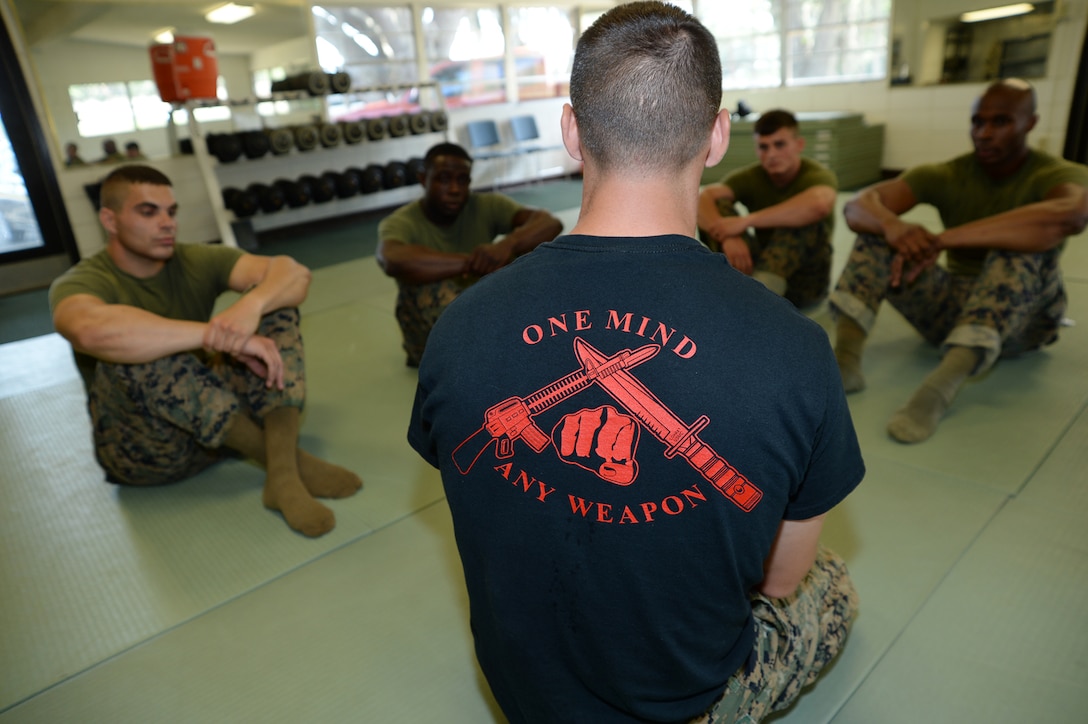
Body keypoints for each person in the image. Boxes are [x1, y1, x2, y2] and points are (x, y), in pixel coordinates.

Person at [407, 3, 864, 722]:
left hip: (521, 691)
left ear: (570, 131)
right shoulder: (795, 349)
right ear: (717, 137)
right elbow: (780, 581)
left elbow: (487, 494)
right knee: (832, 583)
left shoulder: (462, 323)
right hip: (683, 704)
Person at [49, 165, 362, 537]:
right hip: (147, 451)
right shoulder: (83, 280)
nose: (167, 223)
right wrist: (219, 336)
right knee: (138, 350)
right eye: (149, 212)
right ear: (109, 220)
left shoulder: (192, 258)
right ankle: (284, 460)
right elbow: (91, 331)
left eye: (172, 212)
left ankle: (281, 474)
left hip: (216, 429)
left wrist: (252, 305)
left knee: (276, 309)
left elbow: (294, 274)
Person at [830, 78, 1088, 444]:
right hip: (951, 314)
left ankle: (939, 389)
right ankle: (846, 360)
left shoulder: (1057, 173)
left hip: (1025, 323)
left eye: (1000, 122)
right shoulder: (947, 173)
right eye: (977, 122)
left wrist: (943, 240)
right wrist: (894, 227)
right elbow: (858, 206)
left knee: (1022, 247)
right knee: (878, 235)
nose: (983, 133)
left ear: (1030, 123)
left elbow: (1072, 213)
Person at [376, 142, 562, 366]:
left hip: (480, 309)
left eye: (462, 180)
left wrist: (507, 245)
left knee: (533, 264)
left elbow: (549, 223)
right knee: (432, 290)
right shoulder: (403, 221)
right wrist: (473, 262)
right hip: (432, 330)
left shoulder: (485, 205)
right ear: (424, 179)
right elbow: (391, 258)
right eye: (444, 179)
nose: (454, 189)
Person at [697, 109, 838, 307]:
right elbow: (704, 197)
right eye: (764, 147)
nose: (771, 154)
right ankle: (752, 289)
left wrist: (746, 221)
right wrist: (727, 235)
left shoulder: (816, 175)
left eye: (779, 145)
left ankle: (756, 300)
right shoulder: (752, 176)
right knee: (717, 206)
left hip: (806, 282)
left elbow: (819, 204)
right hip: (760, 267)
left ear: (799, 145)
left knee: (804, 220)